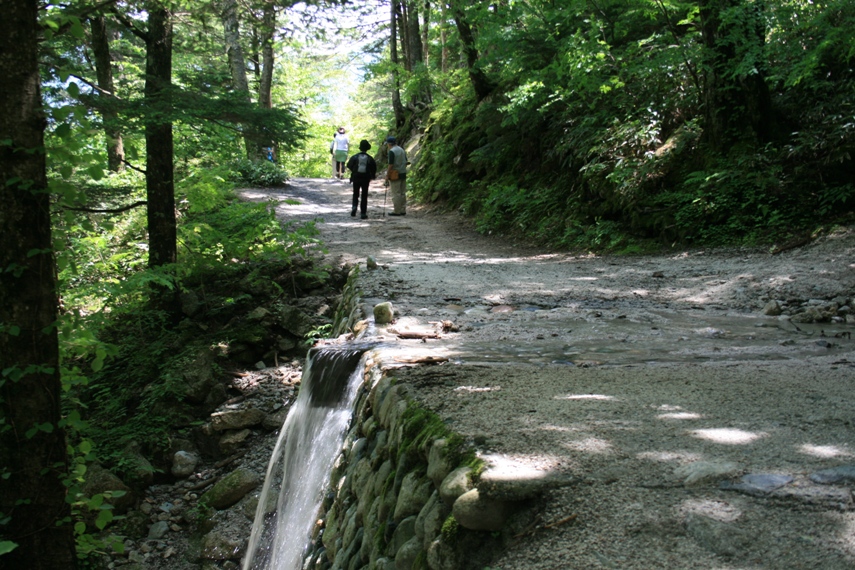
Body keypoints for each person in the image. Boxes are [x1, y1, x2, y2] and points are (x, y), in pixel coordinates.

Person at [346, 140, 377, 219]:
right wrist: (372, 177)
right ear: (367, 148)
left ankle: (354, 207)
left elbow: (349, 165)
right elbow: (374, 168)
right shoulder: (370, 158)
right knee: (364, 195)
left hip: (356, 177)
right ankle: (363, 213)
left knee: (355, 194)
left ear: (360, 147)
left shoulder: (355, 157)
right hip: (365, 178)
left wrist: (354, 171)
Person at [385, 136, 408, 216]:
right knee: (402, 192)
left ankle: (397, 211)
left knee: (396, 193)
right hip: (403, 173)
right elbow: (406, 161)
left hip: (395, 174)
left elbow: (391, 164)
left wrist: (387, 175)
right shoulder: (402, 150)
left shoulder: (392, 151)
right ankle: (403, 209)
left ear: (389, 144)